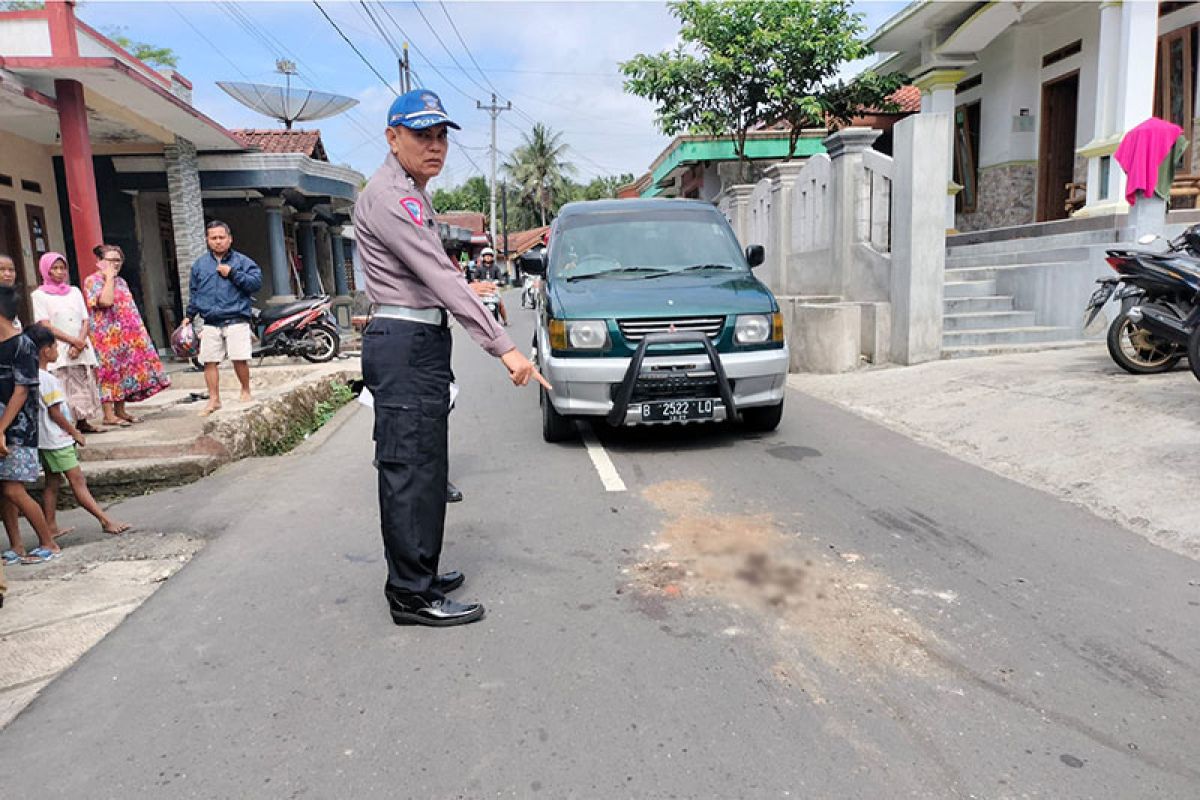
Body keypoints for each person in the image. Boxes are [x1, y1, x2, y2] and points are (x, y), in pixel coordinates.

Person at [354, 87, 549, 627]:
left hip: (416, 344)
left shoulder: (410, 190)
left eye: (441, 135)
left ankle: (420, 571)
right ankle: (411, 595)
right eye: (422, 135)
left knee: (426, 465)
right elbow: (440, 277)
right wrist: (504, 347)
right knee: (409, 468)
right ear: (393, 138)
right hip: (404, 344)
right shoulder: (395, 197)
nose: (435, 146)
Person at [25, 324, 129, 537]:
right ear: (46, 350)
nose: (57, 351)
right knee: (77, 481)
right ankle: (104, 519)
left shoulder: (31, 376)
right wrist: (74, 432)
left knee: (52, 482)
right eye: (55, 347)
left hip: (45, 439)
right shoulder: (48, 379)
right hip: (57, 439)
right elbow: (56, 413)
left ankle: (51, 525)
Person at [0, 288, 59, 564]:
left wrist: (1, 428)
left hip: (18, 427)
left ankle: (48, 541)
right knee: (4, 491)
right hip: (2, 424)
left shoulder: (23, 346)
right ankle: (16, 545)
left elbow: (22, 391)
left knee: (14, 489)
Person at [84, 244, 170, 425]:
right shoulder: (92, 281)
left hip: (126, 336)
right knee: (109, 373)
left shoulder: (121, 282)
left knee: (123, 372)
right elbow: (106, 301)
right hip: (105, 337)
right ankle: (108, 415)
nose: (115, 264)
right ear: (99, 262)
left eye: (118, 261)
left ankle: (120, 411)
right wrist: (108, 278)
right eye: (110, 260)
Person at [185, 221, 263, 416]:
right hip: (210, 320)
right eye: (214, 238)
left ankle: (245, 390)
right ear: (207, 240)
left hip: (236, 317)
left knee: (239, 358)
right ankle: (214, 399)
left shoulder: (243, 262)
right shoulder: (200, 265)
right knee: (209, 361)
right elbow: (195, 293)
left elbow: (255, 283)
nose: (218, 241)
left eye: (221, 237)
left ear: (230, 239)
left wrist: (233, 273)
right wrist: (189, 316)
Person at [31, 252, 102, 434]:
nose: (59, 272)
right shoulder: (39, 295)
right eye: (54, 268)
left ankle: (83, 421)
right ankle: (68, 425)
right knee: (63, 383)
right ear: (46, 271)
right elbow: (46, 324)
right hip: (59, 345)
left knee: (83, 381)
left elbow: (85, 319)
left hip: (80, 343)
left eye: (62, 268)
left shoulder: (75, 291)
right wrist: (73, 342)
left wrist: (79, 342)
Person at [468, 247, 508, 326]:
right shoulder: (479, 268)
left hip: (493, 288)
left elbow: (500, 277)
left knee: (500, 304)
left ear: (492, 257)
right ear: (483, 257)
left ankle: (505, 319)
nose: (488, 257)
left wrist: (501, 281)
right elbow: (475, 278)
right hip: (483, 290)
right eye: (486, 256)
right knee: (477, 304)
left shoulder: (496, 267)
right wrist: (477, 281)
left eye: (489, 256)